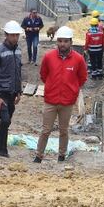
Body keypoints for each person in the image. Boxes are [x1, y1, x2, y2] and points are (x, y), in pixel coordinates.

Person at [33, 26, 87, 164]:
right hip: (50, 100)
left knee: (64, 130)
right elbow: (43, 75)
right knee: (46, 130)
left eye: (65, 41)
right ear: (57, 42)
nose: (62, 44)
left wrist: (72, 90)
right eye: (60, 41)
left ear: (71, 42)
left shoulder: (78, 59)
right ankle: (39, 155)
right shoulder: (49, 57)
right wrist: (52, 87)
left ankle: (61, 155)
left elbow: (82, 78)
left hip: (67, 102)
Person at [0, 21, 24, 157]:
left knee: (7, 122)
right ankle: (1, 149)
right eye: (12, 35)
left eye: (17, 35)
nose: (15, 38)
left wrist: (19, 91)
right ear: (6, 35)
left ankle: (2, 149)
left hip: (12, 93)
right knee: (5, 120)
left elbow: (18, 72)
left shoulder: (19, 51)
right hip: (1, 92)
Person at [85, 14, 104, 79]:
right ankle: (100, 73)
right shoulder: (101, 32)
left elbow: (87, 42)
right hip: (99, 50)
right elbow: (103, 40)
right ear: (97, 24)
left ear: (91, 25)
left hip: (91, 50)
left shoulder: (89, 33)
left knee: (93, 61)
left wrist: (86, 49)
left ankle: (94, 74)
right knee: (99, 60)